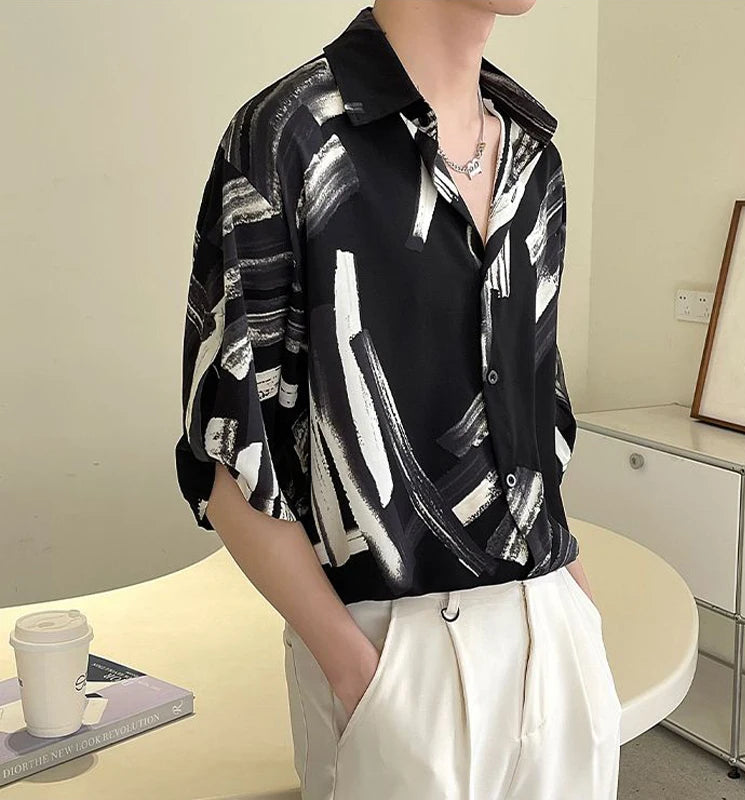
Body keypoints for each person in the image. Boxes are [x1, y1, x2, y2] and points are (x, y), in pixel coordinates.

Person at [174, 1, 622, 797]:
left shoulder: (533, 158)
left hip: (553, 627)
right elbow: (230, 459)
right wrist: (358, 673)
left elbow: (530, 429)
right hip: (392, 650)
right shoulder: (289, 138)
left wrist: (577, 612)